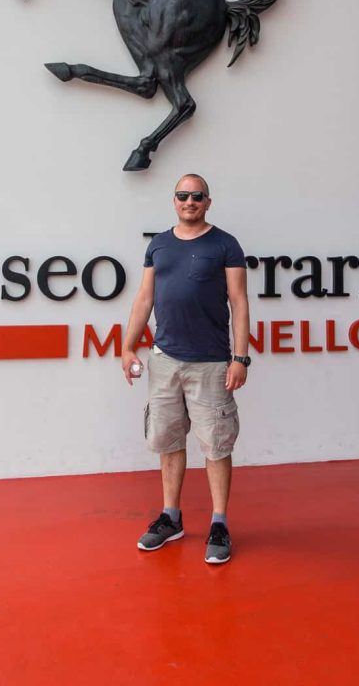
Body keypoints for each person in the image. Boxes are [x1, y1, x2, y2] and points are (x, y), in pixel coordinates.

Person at [121, 173, 251, 564]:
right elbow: (144, 299)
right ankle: (171, 517)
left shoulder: (225, 244)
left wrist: (240, 357)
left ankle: (219, 523)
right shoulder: (158, 245)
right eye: (183, 195)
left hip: (211, 363)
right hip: (165, 361)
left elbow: (239, 302)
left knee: (216, 445)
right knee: (169, 441)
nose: (189, 201)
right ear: (173, 201)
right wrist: (128, 346)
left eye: (197, 196)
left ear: (208, 202)